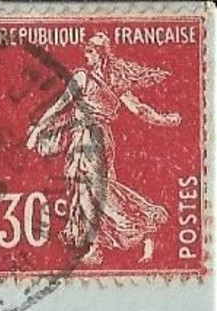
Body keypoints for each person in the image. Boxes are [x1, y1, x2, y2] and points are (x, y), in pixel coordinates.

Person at [25, 34, 182, 264]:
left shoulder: (85, 78)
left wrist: (38, 130)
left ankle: (131, 229)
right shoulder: (112, 82)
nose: (86, 56)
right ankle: (111, 238)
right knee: (89, 189)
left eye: (89, 52)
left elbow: (59, 106)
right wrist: (164, 120)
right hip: (94, 138)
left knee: (90, 188)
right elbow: (140, 110)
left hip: (90, 138)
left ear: (99, 54)